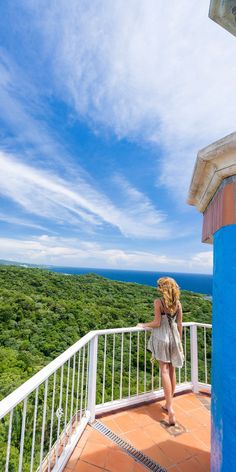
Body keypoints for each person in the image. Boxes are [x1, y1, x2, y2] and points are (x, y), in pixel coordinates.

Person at [136, 276, 184, 426]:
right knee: (172, 371)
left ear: (163, 288)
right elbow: (179, 324)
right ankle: (169, 404)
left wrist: (143, 325)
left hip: (162, 338)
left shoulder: (158, 302)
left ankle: (169, 407)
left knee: (164, 370)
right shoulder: (178, 304)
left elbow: (157, 323)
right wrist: (179, 341)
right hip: (174, 338)